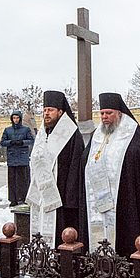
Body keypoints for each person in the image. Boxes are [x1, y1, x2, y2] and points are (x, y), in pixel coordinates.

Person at [80, 93, 140, 262]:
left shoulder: (132, 134)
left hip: (125, 199)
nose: (105, 117)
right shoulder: (98, 135)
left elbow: (137, 160)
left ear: (120, 113)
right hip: (99, 201)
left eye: (109, 113)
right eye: (102, 113)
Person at [27, 90, 86, 246]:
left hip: (61, 196)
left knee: (63, 235)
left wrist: (71, 197)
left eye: (50, 110)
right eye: (45, 110)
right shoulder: (43, 133)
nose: (46, 114)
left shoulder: (72, 134)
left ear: (60, 112)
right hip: (42, 195)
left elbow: (75, 167)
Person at [1, 110, 34, 206]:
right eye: (14, 118)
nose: (15, 120)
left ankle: (23, 198)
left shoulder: (26, 129)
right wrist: (10, 142)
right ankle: (13, 199)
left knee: (23, 180)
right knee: (12, 180)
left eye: (17, 118)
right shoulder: (8, 130)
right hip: (12, 158)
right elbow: (3, 142)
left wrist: (22, 142)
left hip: (22, 158)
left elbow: (31, 140)